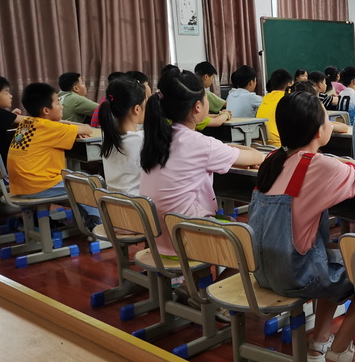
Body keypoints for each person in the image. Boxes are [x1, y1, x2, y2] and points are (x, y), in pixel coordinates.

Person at [248, 90, 355, 362]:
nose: (330, 123)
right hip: (296, 275)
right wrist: (354, 164)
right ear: (318, 131)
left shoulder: (272, 160)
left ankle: (320, 342)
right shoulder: (317, 166)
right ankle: (341, 350)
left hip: (262, 270)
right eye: (327, 119)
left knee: (332, 256)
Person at [139, 69, 264, 256]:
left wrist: (224, 149)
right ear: (198, 106)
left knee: (230, 224)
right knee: (247, 239)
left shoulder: (159, 138)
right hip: (188, 241)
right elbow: (257, 157)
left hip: (158, 241)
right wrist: (234, 150)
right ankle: (221, 277)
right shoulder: (200, 144)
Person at [8, 82, 98, 226]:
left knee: (77, 177)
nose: (61, 106)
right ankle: (97, 225)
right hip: (37, 185)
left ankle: (86, 221)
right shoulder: (50, 127)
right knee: (88, 184)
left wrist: (66, 127)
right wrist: (69, 127)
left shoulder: (27, 122)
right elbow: (87, 129)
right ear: (46, 110)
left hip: (20, 185)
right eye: (57, 103)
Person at [98, 74, 148, 195]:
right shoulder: (141, 140)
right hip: (139, 204)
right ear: (137, 109)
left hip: (113, 203)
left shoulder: (108, 136)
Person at [256, 68, 293, 147]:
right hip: (278, 145)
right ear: (289, 85)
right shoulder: (286, 98)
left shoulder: (265, 98)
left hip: (260, 144)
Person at [0, 75, 26, 168]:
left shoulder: (2, 115)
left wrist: (11, 116)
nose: (11, 96)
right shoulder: (0, 113)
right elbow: (31, 121)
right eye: (6, 93)